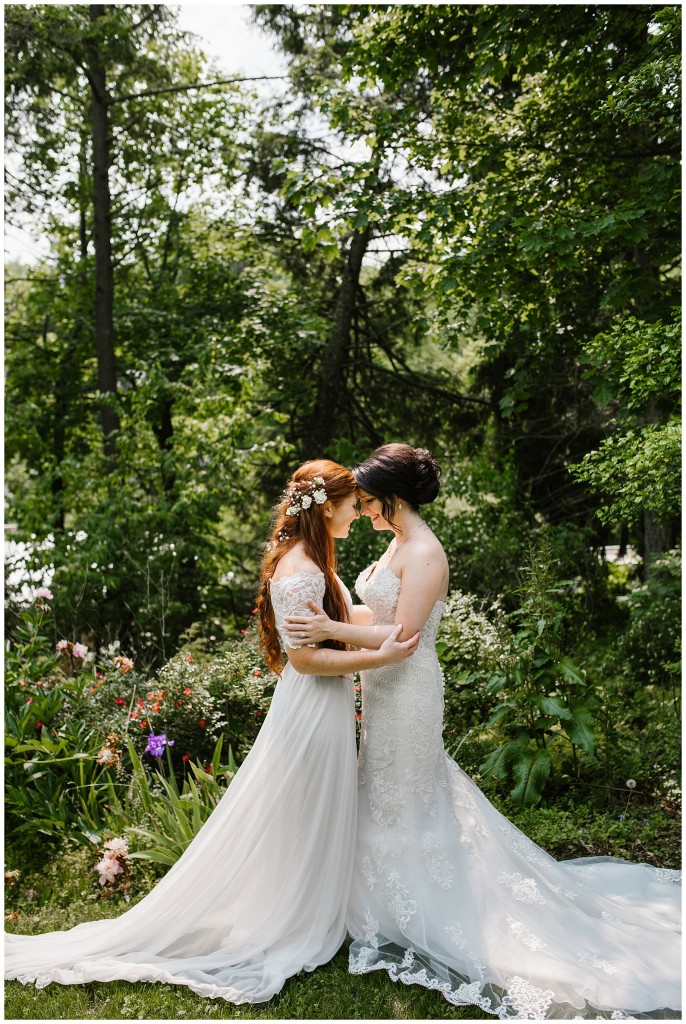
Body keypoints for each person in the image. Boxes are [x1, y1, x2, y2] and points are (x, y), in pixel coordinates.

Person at [283, 443, 681, 1020]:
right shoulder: (397, 542)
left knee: (409, 789)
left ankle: (425, 901)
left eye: (369, 501)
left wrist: (329, 627)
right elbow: (379, 617)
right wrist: (337, 624)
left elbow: (404, 636)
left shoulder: (425, 551)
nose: (363, 510)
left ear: (394, 498)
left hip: (409, 689)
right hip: (383, 685)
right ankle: (382, 893)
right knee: (387, 791)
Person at [5, 459, 418, 1005]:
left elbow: (337, 626)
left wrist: (391, 624)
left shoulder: (310, 559)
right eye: (351, 505)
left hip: (322, 705)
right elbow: (305, 659)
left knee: (310, 807)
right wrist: (379, 656)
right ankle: (292, 917)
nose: (358, 513)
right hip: (314, 706)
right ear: (325, 508)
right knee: (304, 807)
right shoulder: (302, 568)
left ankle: (308, 905)